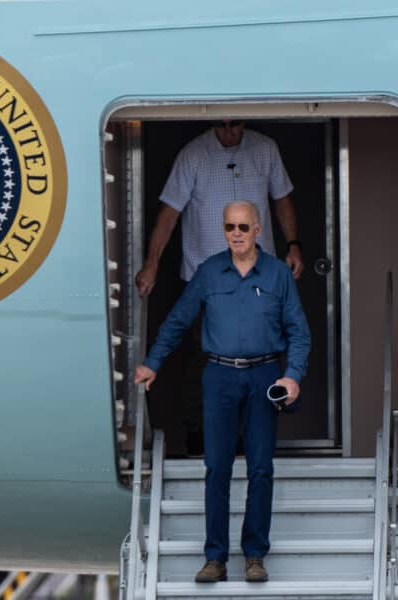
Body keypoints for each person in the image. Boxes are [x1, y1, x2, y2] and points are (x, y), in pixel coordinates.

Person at [134, 201, 310, 583]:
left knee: (261, 468)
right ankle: (215, 557)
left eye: (244, 227)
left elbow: (299, 331)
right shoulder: (210, 272)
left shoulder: (278, 275)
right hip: (219, 377)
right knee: (217, 468)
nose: (236, 233)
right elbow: (178, 320)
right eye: (230, 226)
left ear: (258, 230)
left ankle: (254, 556)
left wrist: (292, 376)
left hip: (265, 376)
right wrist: (153, 363)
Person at [136, 120, 304, 454]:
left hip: (259, 274)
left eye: (235, 125)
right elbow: (169, 213)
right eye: (223, 126)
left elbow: (283, 200)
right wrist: (152, 262)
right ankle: (201, 440)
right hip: (206, 275)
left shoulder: (265, 148)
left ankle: (252, 439)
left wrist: (294, 245)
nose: (229, 132)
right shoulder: (193, 154)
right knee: (206, 359)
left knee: (261, 356)